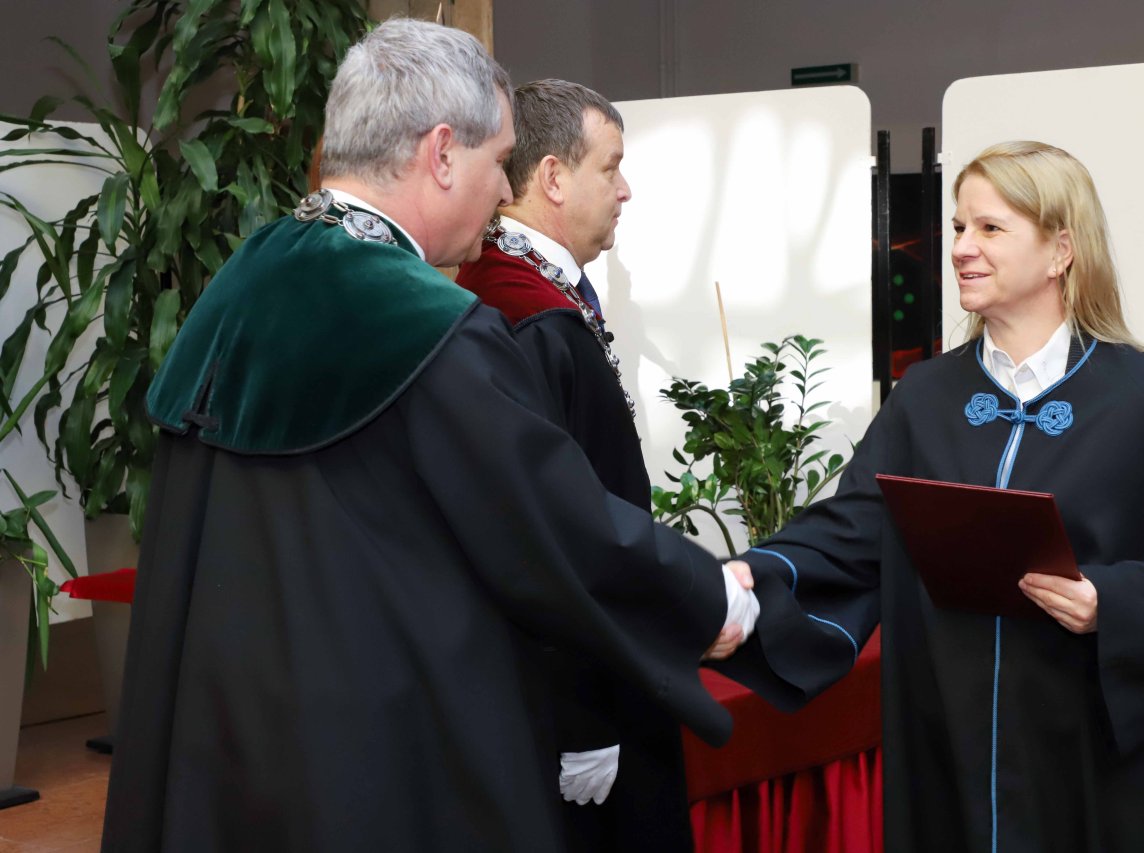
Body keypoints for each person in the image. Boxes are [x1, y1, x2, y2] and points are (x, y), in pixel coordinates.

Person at [98, 21, 782, 853]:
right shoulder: (426, 325)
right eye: (500, 162)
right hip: (373, 750)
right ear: (443, 152)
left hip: (233, 743)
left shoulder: (244, 282)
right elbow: (553, 523)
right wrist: (705, 596)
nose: (502, 193)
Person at [728, 141, 1144, 852]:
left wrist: (1114, 601)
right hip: (947, 740)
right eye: (960, 226)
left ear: (1060, 252)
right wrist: (756, 573)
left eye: (990, 227)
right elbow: (856, 526)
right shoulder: (925, 396)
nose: (961, 247)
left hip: (1093, 759)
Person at [452, 78, 673, 851]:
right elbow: (543, 535)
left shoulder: (525, 295)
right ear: (552, 176)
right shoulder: (527, 316)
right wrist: (587, 713)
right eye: (610, 167)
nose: (625, 190)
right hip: (571, 695)